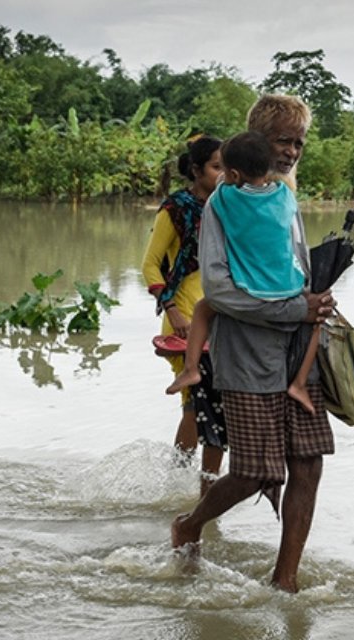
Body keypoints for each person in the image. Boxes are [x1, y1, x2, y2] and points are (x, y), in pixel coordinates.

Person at [170, 95, 337, 593]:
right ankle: (189, 524)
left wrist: (317, 300)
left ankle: (284, 581)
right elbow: (218, 290)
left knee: (307, 464)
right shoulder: (223, 203)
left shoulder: (285, 196)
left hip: (297, 351)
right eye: (283, 141)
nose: (291, 152)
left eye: (299, 143)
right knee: (254, 472)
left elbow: (294, 267)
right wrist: (292, 309)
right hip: (244, 357)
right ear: (259, 143)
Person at [165, 131, 320, 415]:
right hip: (292, 287)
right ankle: (299, 383)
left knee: (203, 308)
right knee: (318, 320)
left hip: (251, 287)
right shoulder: (285, 196)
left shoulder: (223, 200)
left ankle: (190, 369)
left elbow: (224, 189)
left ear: (233, 173)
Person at [141, 135, 226, 494]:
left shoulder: (227, 207)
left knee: (211, 402)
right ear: (196, 170)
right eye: (215, 167)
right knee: (196, 402)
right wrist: (172, 311)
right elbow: (149, 266)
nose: (222, 175)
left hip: (222, 314)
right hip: (185, 315)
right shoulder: (174, 209)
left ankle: (199, 488)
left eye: (227, 167)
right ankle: (184, 483)